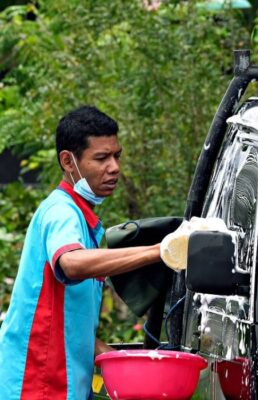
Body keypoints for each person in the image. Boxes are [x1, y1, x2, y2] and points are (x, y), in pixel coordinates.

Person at [0, 106, 161, 400]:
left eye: (116, 156)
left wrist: (107, 355)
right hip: (39, 385)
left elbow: (66, 317)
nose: (114, 167)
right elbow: (72, 263)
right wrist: (159, 251)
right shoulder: (62, 212)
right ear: (68, 161)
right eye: (101, 158)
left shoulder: (81, 220)